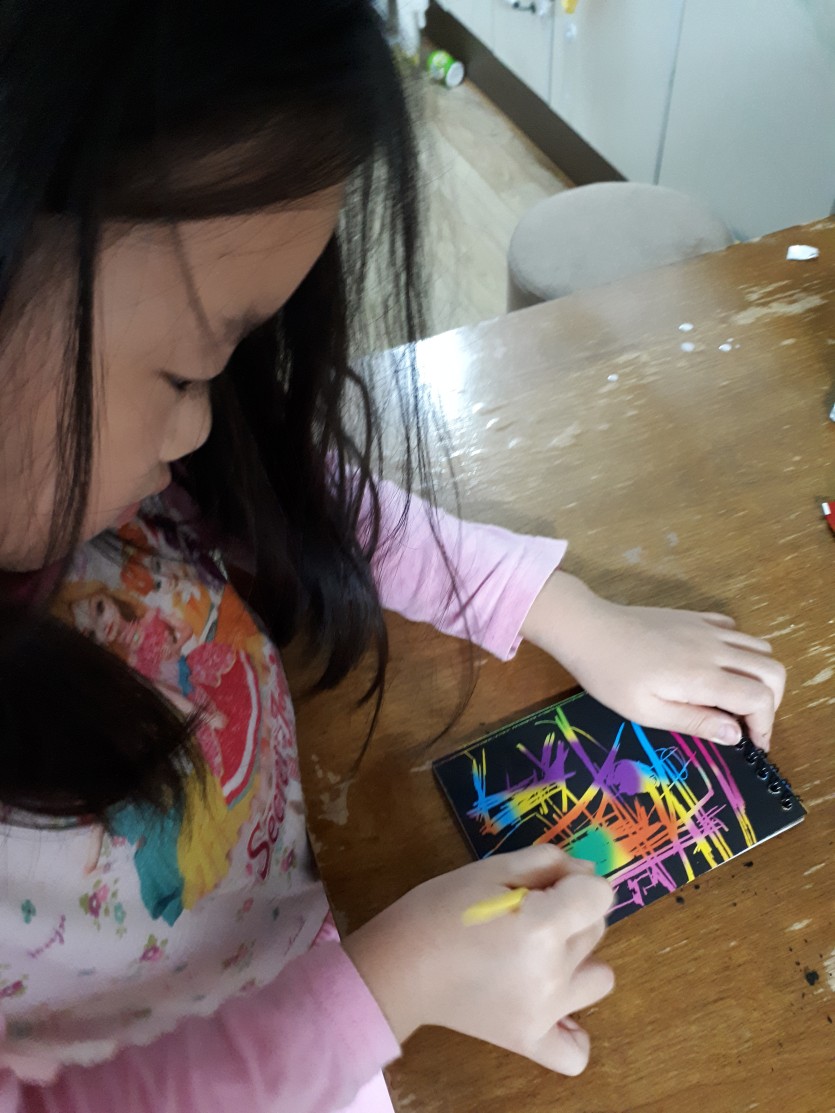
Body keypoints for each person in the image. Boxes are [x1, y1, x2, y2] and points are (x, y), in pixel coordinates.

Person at [0, 2, 786, 1110]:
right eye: (185, 373)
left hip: (308, 933)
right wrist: (390, 986)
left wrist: (560, 608)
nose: (203, 425)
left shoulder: (109, 478)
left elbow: (287, 496)